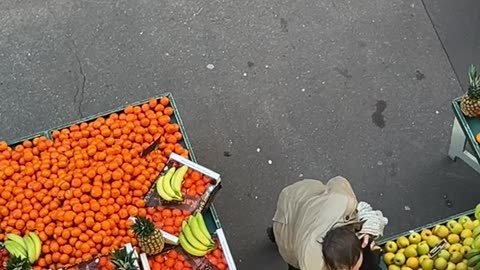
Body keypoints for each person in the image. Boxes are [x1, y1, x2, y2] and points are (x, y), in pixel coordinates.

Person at [267, 176, 388, 270]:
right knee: (285, 235)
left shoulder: (345, 203)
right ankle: (274, 234)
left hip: (312, 199)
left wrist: (367, 229)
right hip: (292, 208)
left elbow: (364, 211)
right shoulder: (310, 262)